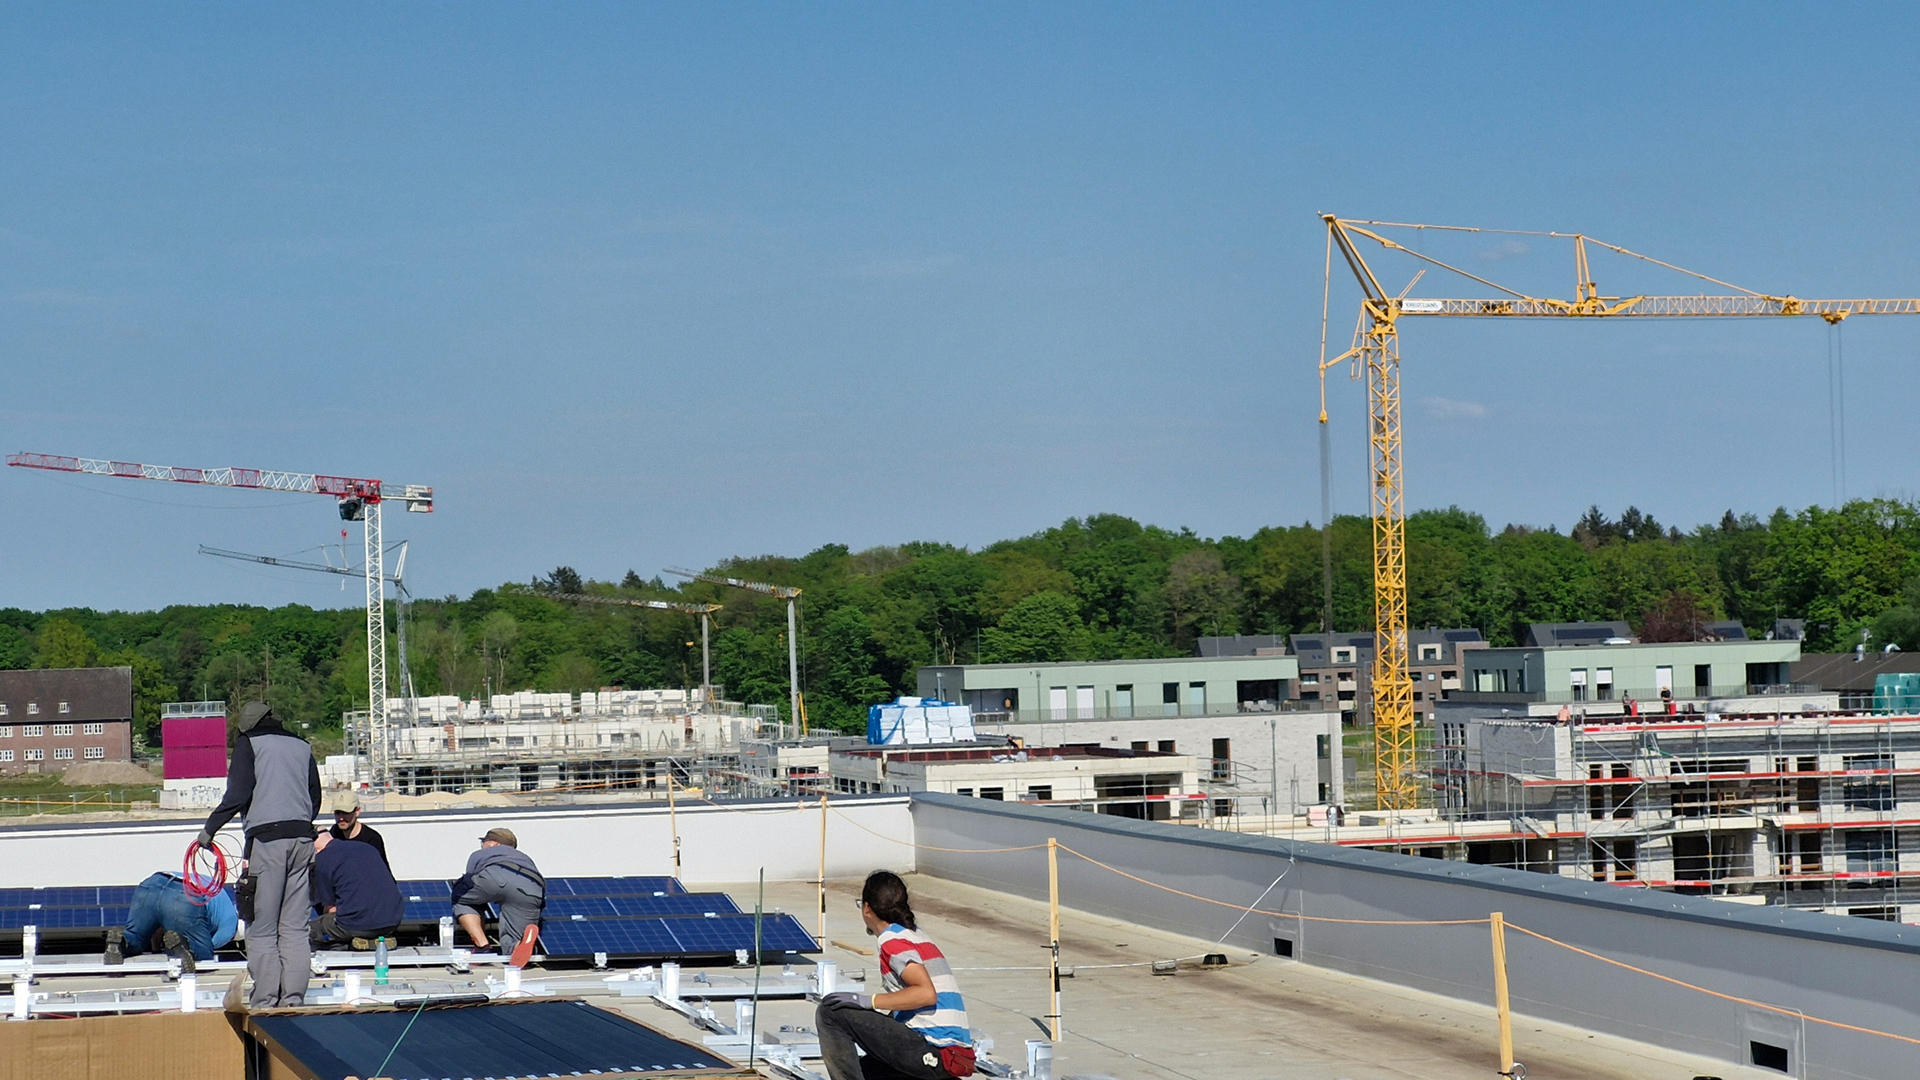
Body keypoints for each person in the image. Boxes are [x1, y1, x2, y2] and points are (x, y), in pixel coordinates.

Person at [196, 701, 321, 1010]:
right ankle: (293, 1000)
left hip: (268, 842)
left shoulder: (248, 743)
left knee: (262, 927)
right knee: (294, 927)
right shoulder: (301, 745)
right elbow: (314, 797)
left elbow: (237, 795)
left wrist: (209, 830)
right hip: (303, 840)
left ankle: (265, 1001)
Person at [816, 871, 974, 1080]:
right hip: (951, 1054)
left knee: (830, 1012)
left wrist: (868, 1001)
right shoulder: (915, 935)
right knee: (868, 1069)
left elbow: (926, 994)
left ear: (867, 908)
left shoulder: (892, 940)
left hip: (936, 1050)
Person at [107, 872, 238, 972]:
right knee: (204, 954)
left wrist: (156, 950)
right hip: (183, 894)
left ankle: (121, 942)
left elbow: (157, 925)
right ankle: (184, 944)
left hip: (150, 885)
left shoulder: (220, 893)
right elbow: (210, 944)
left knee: (135, 937)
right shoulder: (231, 925)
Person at [451, 827, 545, 964]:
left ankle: (482, 946)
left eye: (484, 842)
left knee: (462, 897)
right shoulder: (524, 857)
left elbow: (471, 879)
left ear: (493, 843)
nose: (483, 845)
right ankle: (517, 946)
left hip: (496, 875)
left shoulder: (483, 853)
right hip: (532, 887)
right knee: (513, 940)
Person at [309, 832, 404, 948]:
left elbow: (331, 909)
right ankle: (372, 941)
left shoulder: (322, 859)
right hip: (392, 921)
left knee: (310, 929)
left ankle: (347, 945)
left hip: (356, 924)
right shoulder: (366, 847)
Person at [328, 789, 389, 869]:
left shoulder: (371, 839)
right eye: (338, 813)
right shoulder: (334, 833)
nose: (341, 818)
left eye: (346, 812)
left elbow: (382, 872)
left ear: (357, 811)